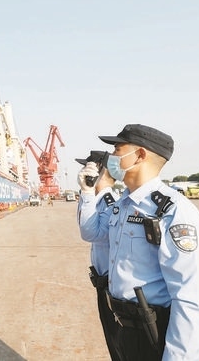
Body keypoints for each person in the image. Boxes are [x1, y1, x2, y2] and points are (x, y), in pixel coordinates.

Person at [77, 124, 199, 361]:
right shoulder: (123, 205)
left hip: (160, 332)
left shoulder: (172, 210)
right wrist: (87, 192)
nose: (112, 157)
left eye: (117, 149)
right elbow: (92, 232)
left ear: (139, 155)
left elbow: (191, 297)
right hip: (129, 330)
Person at [76, 150, 120, 360]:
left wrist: (87, 192)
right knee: (114, 342)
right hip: (104, 284)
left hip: (113, 287)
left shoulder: (110, 202)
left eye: (88, 167)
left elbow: (90, 233)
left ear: (101, 171)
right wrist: (87, 193)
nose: (83, 171)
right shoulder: (97, 200)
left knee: (119, 343)